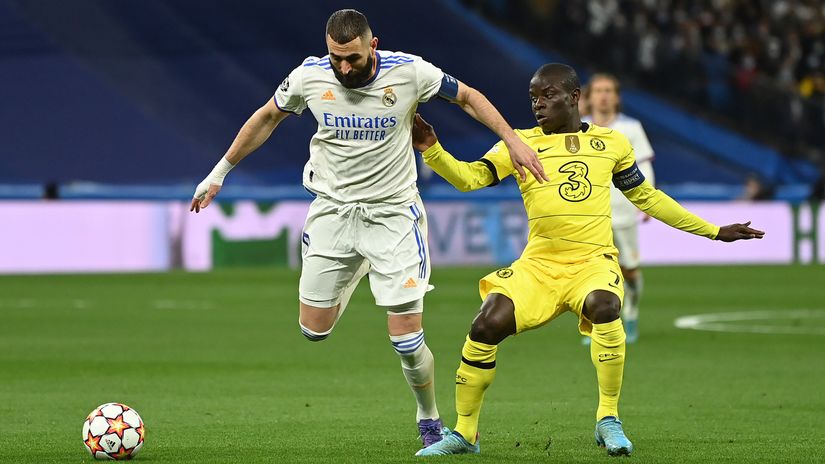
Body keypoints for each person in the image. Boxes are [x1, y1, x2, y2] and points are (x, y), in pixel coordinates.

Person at [189, 9, 547, 449]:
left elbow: (468, 97)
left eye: (352, 58)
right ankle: (356, 269)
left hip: (393, 216)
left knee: (406, 337)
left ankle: (428, 417)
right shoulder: (308, 78)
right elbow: (266, 117)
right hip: (333, 213)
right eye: (336, 58)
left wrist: (513, 139)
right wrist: (219, 172)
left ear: (372, 46)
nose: (343, 68)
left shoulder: (411, 72)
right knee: (313, 330)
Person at [412, 63, 764, 457]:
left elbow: (647, 197)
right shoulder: (519, 143)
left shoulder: (611, 143)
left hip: (592, 262)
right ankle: (465, 433)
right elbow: (469, 178)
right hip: (539, 266)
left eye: (548, 95)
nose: (538, 105)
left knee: (606, 305)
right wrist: (433, 150)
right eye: (533, 98)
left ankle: (608, 419)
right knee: (484, 325)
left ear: (574, 97)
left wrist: (714, 230)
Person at [583, 73, 655, 343]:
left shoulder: (632, 128)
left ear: (616, 96)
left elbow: (644, 165)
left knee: (629, 270)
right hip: (589, 213)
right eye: (598, 90)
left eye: (608, 90)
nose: (603, 95)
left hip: (623, 209)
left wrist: (646, 200)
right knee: (590, 270)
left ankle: (632, 313)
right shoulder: (578, 128)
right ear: (589, 97)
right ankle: (595, 324)